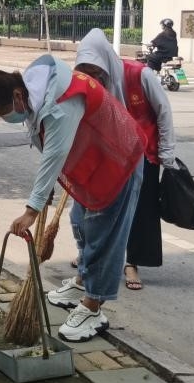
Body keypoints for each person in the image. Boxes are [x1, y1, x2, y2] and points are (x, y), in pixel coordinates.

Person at [0, 57, 144, 342]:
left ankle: (94, 306)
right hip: (92, 160)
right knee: (81, 223)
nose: (7, 119)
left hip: (117, 160)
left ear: (16, 95)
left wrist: (32, 210)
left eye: (4, 112)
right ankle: (82, 282)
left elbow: (54, 152)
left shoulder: (60, 104)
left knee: (104, 234)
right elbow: (47, 145)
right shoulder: (34, 84)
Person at [74, 28, 177, 291]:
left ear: (105, 60)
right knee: (94, 209)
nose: (92, 76)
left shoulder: (138, 74)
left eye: (95, 69)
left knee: (139, 211)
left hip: (143, 153)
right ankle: (90, 256)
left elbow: (163, 111)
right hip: (108, 156)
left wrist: (166, 153)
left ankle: (131, 262)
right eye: (84, 69)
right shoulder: (87, 83)